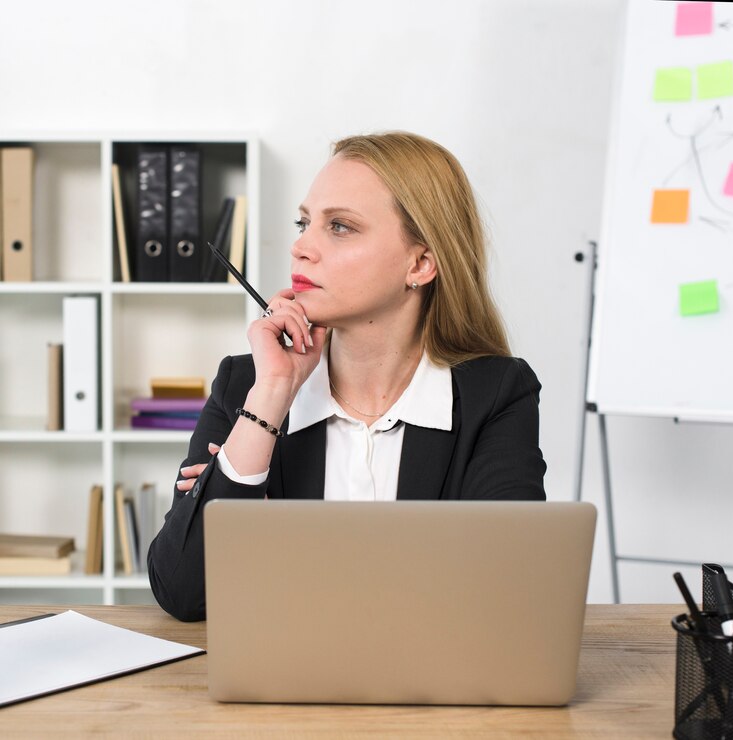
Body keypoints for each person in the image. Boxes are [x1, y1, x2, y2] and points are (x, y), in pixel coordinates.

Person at [148, 131, 547, 622]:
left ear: (420, 263)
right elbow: (185, 594)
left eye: (339, 227)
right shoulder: (247, 385)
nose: (300, 248)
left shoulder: (497, 394)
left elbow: (502, 592)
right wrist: (273, 394)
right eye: (304, 223)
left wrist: (277, 553)